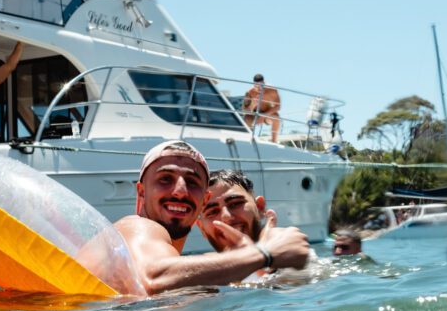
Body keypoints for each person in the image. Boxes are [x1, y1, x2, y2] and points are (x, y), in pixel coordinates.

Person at [114, 140, 309, 294]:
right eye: (165, 178)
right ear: (141, 193)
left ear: (203, 199)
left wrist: (256, 271)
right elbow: (150, 279)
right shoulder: (135, 226)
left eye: (192, 182)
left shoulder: (182, 265)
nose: (181, 191)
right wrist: (265, 254)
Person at [196, 169, 273, 252]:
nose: (226, 216)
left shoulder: (287, 247)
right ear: (202, 228)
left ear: (259, 207)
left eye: (235, 204)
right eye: (212, 212)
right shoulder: (193, 264)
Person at [242, 73, 281, 143]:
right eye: (257, 86)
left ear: (264, 83)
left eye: (261, 85)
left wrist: (264, 116)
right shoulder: (250, 92)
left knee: (276, 118)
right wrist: (253, 104)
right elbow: (244, 110)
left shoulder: (272, 90)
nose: (259, 88)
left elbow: (278, 106)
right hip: (254, 114)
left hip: (267, 114)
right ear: (254, 85)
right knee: (247, 118)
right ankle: (248, 139)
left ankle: (274, 141)